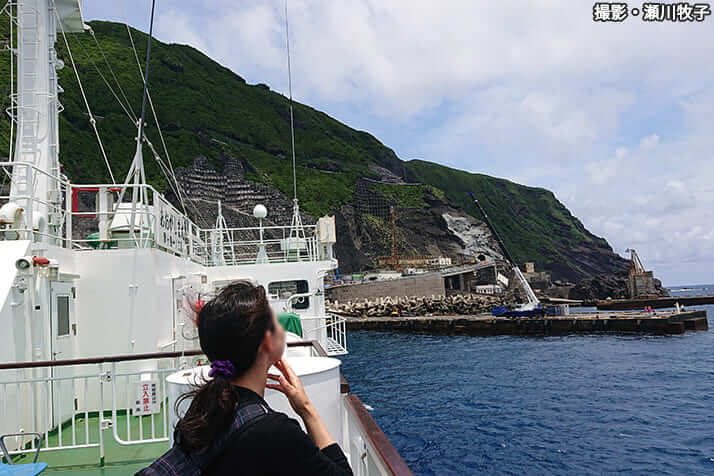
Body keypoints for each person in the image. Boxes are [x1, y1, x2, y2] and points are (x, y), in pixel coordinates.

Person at [138, 280, 352, 475]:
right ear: (267, 342)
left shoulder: (204, 408)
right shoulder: (275, 432)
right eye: (275, 321)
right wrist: (306, 409)